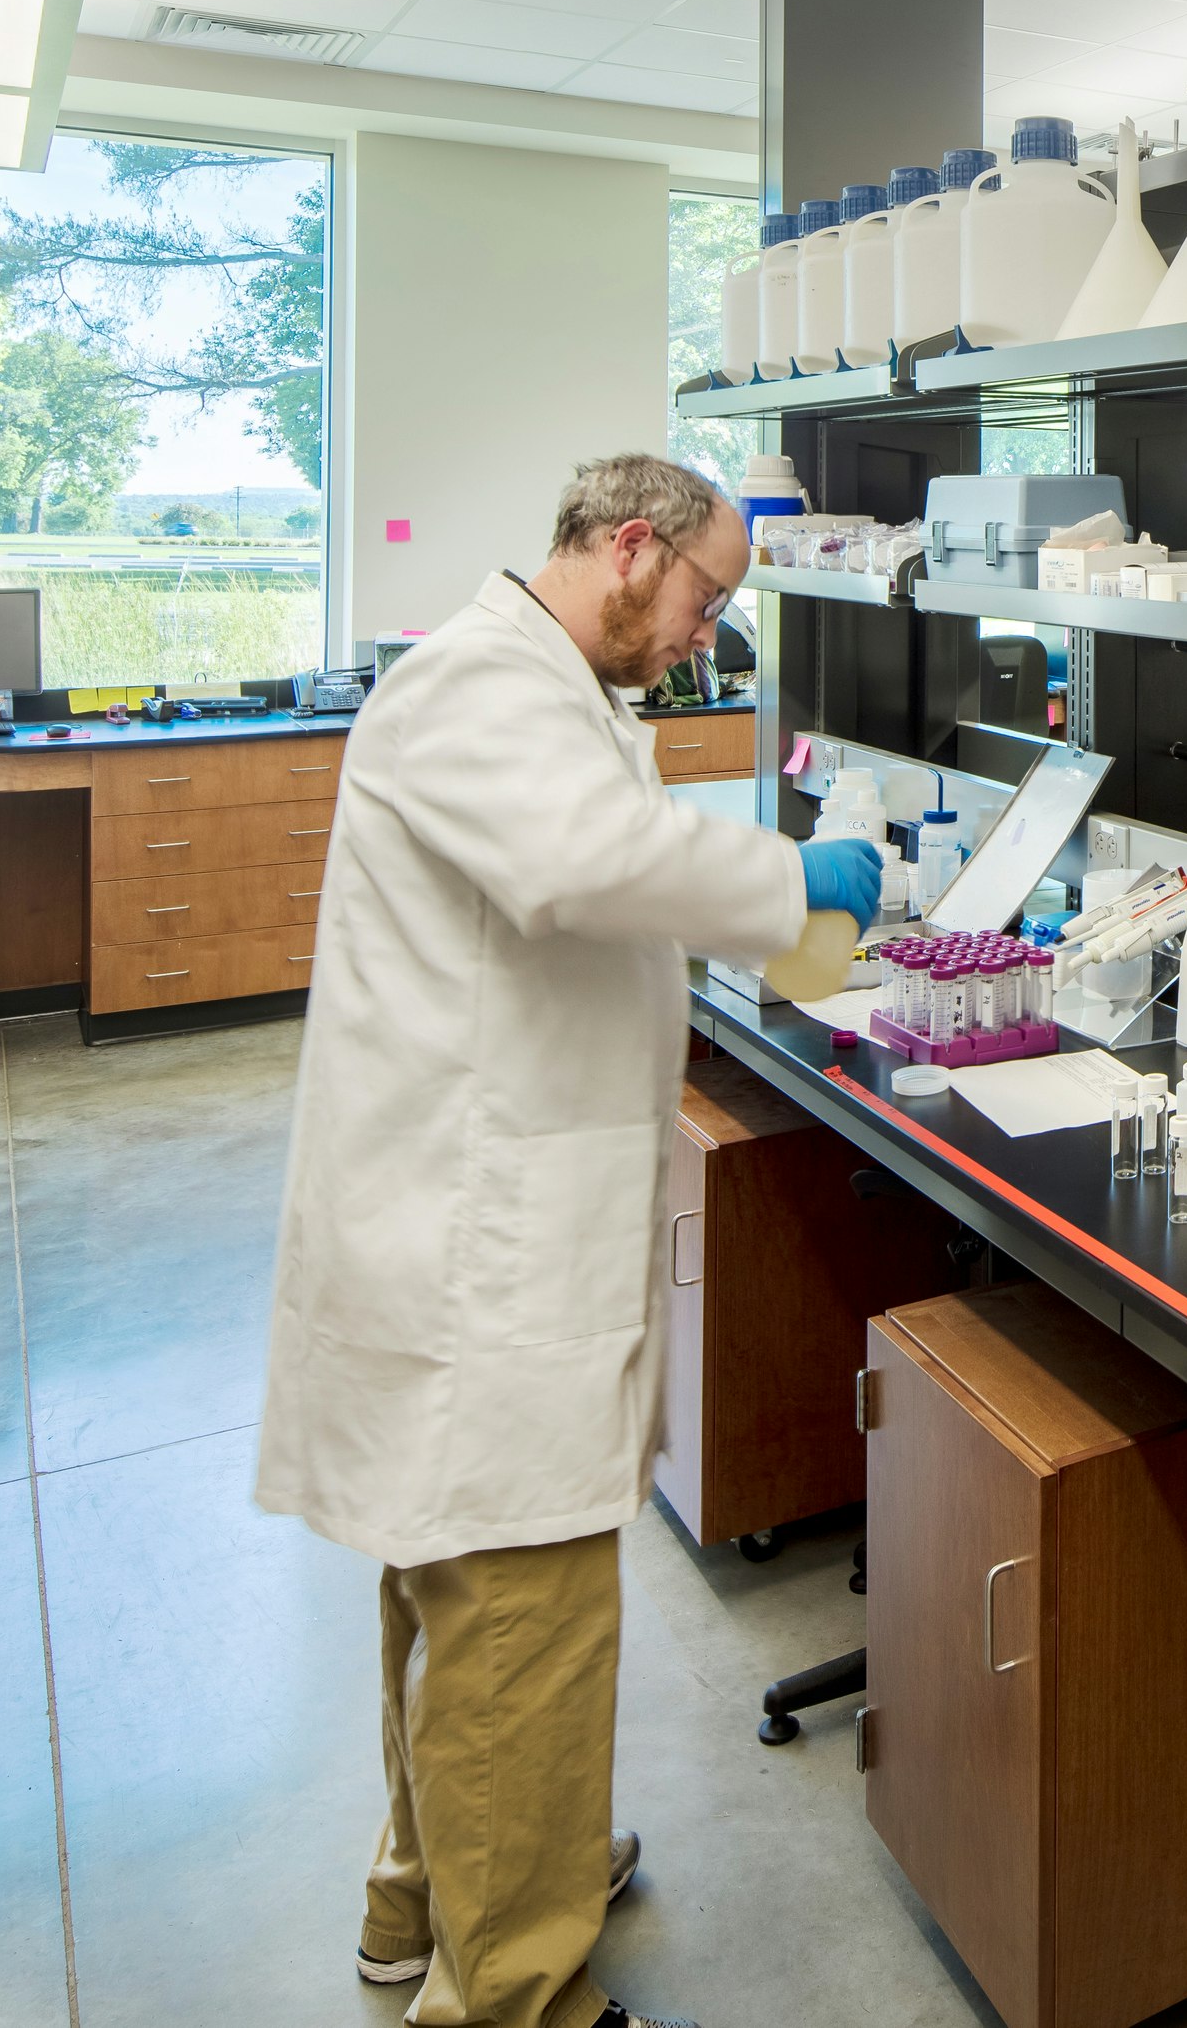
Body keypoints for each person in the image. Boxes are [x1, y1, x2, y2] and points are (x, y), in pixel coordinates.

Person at [253, 454, 882, 2028]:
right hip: (475, 1252)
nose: (704, 633)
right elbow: (586, 864)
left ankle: (437, 1891)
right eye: (702, 597)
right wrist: (791, 875)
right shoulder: (476, 686)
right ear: (625, 547)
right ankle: (518, 1987)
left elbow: (597, 859)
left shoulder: (548, 688)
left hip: (478, 1227)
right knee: (518, 1616)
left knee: (458, 1600)